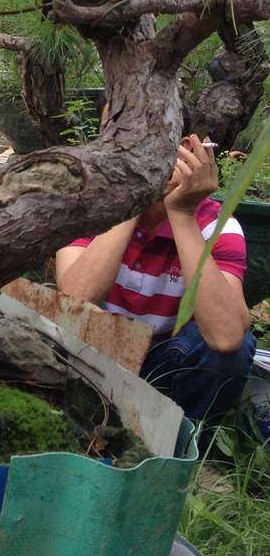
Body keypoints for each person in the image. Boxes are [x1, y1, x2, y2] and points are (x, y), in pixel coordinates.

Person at [55, 133, 255, 427]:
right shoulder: (88, 209)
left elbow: (226, 338)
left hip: (168, 369)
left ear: (186, 149)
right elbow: (75, 303)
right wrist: (132, 202)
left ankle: (180, 439)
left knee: (235, 345)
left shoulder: (217, 225)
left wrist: (183, 215)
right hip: (93, 359)